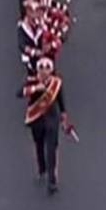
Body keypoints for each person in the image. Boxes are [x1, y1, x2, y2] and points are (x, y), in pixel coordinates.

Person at [21, 57, 71, 194]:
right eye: (41, 68)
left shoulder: (56, 83)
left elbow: (61, 101)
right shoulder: (32, 81)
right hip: (36, 119)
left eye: (47, 68)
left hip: (52, 119)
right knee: (39, 145)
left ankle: (52, 180)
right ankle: (42, 168)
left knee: (51, 149)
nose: (44, 71)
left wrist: (64, 116)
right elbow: (21, 93)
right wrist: (35, 88)